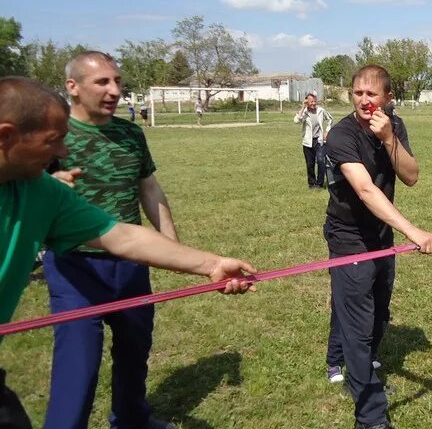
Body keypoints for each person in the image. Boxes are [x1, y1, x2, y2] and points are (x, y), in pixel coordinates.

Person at [0, 76, 254, 429]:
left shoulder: (43, 192)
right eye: (52, 141)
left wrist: (212, 264)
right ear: (6, 136)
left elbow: (121, 237)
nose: (61, 153)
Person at [41, 51, 186, 429]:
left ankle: (132, 419)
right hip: (75, 268)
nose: (114, 90)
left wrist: (173, 247)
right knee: (79, 364)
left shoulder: (130, 133)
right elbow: (19, 193)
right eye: (102, 82)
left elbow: (149, 188)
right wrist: (45, 187)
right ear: (72, 87)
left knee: (135, 352)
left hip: (130, 263)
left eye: (117, 81)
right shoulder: (51, 137)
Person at [323, 65, 432, 429]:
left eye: (372, 94)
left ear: (388, 98)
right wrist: (412, 231)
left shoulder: (394, 125)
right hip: (349, 237)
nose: (364, 100)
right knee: (357, 317)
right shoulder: (340, 135)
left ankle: (338, 357)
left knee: (377, 310)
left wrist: (390, 138)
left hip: (380, 234)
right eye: (357, 93)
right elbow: (365, 190)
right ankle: (371, 416)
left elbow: (411, 176)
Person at [294, 92, 334, 188]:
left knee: (321, 161)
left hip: (319, 141)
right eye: (311, 102)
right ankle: (312, 184)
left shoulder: (320, 110)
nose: (313, 103)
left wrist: (327, 131)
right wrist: (303, 108)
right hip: (308, 142)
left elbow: (330, 119)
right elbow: (297, 121)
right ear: (307, 102)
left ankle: (320, 183)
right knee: (310, 164)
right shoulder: (305, 113)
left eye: (315, 101)